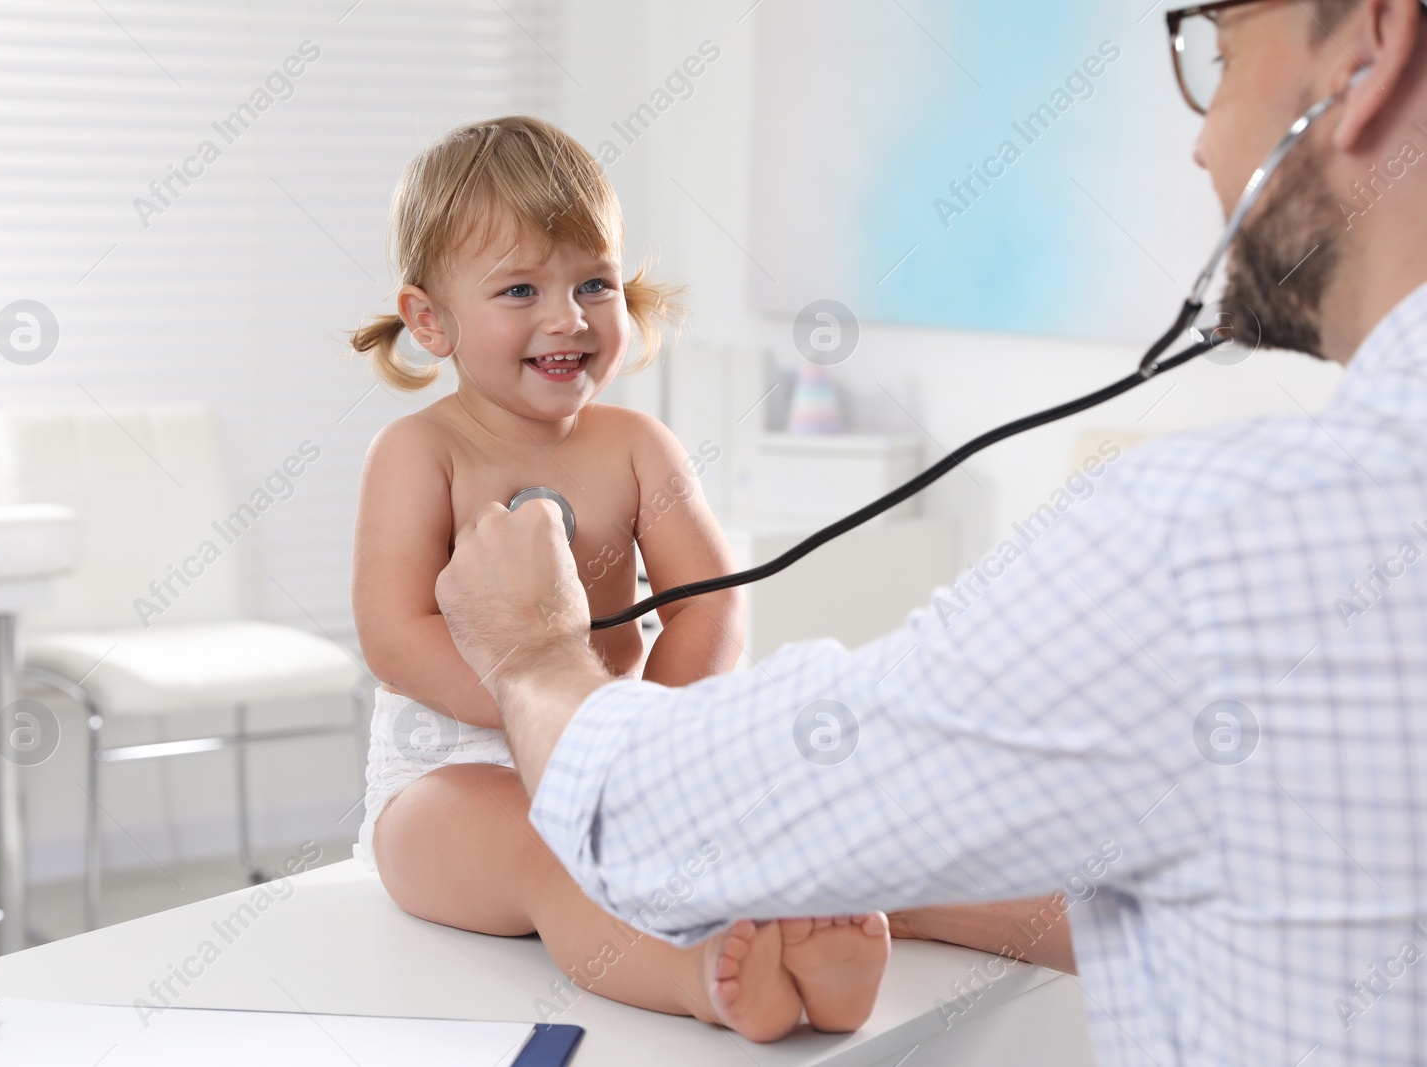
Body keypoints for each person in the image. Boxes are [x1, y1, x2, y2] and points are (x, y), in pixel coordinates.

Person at [433, 1, 1427, 1063]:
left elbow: (647, 819)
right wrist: (876, 858)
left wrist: (535, 652)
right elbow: (1277, 886)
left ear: (1370, 45)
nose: (1198, 138)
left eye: (1217, 56)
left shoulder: (1199, 544)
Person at [348, 115, 892, 1042]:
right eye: (520, 288)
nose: (568, 317)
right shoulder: (419, 452)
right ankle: (697, 975)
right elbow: (394, 634)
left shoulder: (639, 446)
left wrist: (649, 741)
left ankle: (814, 951)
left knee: (744, 809)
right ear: (430, 319)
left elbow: (710, 602)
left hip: (613, 750)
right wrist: (546, 712)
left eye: (593, 283)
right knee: (545, 847)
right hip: (448, 773)